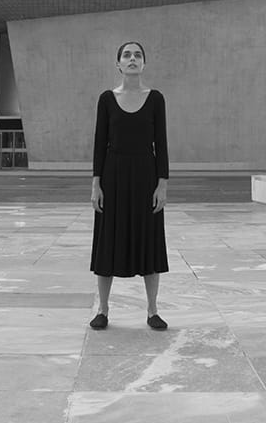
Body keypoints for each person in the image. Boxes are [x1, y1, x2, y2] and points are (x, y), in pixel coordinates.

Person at [89, 40, 169, 330]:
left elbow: (161, 143)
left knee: (149, 238)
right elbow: (100, 143)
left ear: (143, 64)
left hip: (146, 175)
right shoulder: (107, 99)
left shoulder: (156, 98)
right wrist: (96, 184)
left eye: (137, 55)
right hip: (113, 176)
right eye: (126, 55)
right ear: (119, 65)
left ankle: (152, 310)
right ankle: (103, 309)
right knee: (107, 239)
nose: (132, 59)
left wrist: (162, 184)